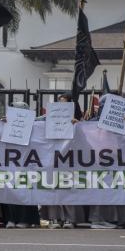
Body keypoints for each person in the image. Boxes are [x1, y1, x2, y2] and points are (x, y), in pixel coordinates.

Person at [87, 93, 125, 229]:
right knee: (101, 189)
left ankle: (120, 219)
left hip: (117, 161)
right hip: (97, 162)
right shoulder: (91, 123)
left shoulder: (122, 121)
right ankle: (98, 219)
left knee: (119, 189)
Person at [39, 93, 87, 229]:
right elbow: (35, 122)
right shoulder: (48, 119)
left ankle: (70, 219)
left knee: (69, 187)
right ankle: (55, 218)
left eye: (65, 104)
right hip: (54, 158)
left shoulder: (80, 122)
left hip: (71, 159)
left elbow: (88, 136)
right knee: (54, 187)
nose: (62, 107)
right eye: (59, 104)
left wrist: (79, 125)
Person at [1, 101, 41, 228]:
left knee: (26, 190)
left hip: (28, 163)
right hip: (11, 162)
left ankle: (26, 220)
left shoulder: (36, 124)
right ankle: (11, 219)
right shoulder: (5, 124)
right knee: (9, 190)